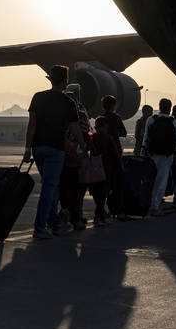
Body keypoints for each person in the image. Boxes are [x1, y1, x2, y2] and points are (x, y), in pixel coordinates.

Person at [23, 65, 80, 240]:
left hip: (38, 148)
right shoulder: (68, 103)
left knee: (49, 186)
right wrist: (84, 145)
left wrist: (27, 148)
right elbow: (75, 128)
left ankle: (55, 224)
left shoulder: (38, 97)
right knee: (49, 187)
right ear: (65, 82)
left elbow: (32, 125)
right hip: (56, 149)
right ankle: (40, 227)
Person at [140, 98, 176, 216]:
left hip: (152, 153)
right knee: (161, 181)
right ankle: (155, 206)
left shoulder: (151, 119)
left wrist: (143, 150)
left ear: (159, 106)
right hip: (167, 156)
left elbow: (146, 136)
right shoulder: (173, 122)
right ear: (169, 108)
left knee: (150, 179)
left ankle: (146, 203)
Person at [59, 82, 91, 230]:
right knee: (79, 187)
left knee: (63, 186)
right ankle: (76, 218)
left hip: (63, 153)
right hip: (78, 154)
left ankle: (64, 213)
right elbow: (86, 132)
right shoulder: (80, 109)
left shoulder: (60, 108)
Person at [97, 95, 127, 220]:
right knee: (117, 184)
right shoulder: (116, 118)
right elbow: (123, 133)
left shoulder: (101, 119)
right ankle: (117, 210)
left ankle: (101, 210)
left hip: (102, 154)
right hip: (115, 152)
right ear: (114, 105)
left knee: (103, 184)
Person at [87, 115, 118, 225]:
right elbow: (115, 153)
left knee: (96, 192)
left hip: (93, 168)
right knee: (103, 193)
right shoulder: (108, 138)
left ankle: (100, 213)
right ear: (105, 126)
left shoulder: (92, 138)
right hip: (106, 167)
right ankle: (99, 215)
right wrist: (120, 166)